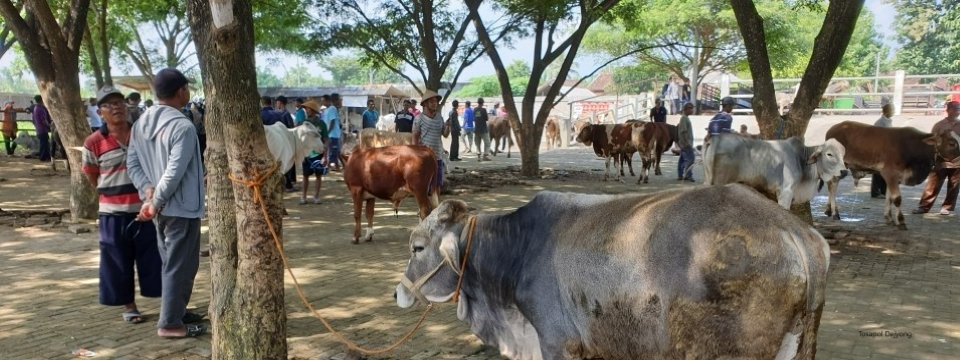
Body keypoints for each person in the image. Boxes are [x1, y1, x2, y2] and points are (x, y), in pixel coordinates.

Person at [126, 68, 207, 339]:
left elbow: (133, 163)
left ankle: (177, 311)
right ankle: (170, 323)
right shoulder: (182, 126)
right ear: (181, 91)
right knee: (179, 265)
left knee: (173, 263)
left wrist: (148, 193)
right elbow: (175, 171)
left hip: (158, 207)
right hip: (180, 207)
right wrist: (156, 200)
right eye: (187, 88)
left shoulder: (140, 123)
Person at [82, 86, 163, 325]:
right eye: (109, 104)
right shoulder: (93, 141)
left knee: (154, 258)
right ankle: (129, 306)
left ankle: (167, 305)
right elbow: (91, 174)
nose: (116, 107)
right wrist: (110, 190)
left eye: (120, 102)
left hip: (146, 210)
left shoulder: (142, 134)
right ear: (100, 112)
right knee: (117, 260)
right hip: (112, 213)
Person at [912, 101, 960, 215]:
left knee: (954, 186)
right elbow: (932, 142)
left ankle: (947, 208)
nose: (957, 111)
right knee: (933, 185)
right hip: (941, 160)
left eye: (958, 109)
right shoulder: (939, 125)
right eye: (954, 109)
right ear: (948, 110)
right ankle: (923, 207)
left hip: (958, 161)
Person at [413, 90, 447, 189]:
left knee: (437, 186)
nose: (434, 103)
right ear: (425, 104)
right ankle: (426, 204)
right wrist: (415, 154)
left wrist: (448, 126)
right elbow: (415, 136)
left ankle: (436, 204)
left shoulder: (439, 118)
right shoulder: (419, 118)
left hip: (438, 157)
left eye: (436, 101)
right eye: (432, 101)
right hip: (425, 158)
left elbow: (445, 134)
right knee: (424, 187)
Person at [297, 100, 328, 204]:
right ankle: (303, 197)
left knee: (318, 175)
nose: (306, 110)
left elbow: (326, 141)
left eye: (308, 108)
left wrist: (325, 156)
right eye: (305, 108)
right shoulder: (303, 124)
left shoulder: (321, 124)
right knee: (305, 176)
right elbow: (299, 139)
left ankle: (316, 197)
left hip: (318, 154)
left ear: (314, 111)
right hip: (306, 154)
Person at [871, 103, 894, 199]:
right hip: (880, 151)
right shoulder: (880, 123)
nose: (893, 112)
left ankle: (884, 191)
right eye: (892, 110)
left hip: (886, 151)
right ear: (886, 111)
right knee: (877, 172)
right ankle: (875, 192)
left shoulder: (888, 121)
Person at [324, 93, 344, 172]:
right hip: (334, 134)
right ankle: (340, 165)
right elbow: (334, 122)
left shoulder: (332, 109)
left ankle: (329, 166)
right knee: (336, 151)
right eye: (339, 99)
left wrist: (327, 132)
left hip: (333, 134)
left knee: (333, 150)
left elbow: (332, 121)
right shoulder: (331, 109)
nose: (340, 101)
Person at [676, 102, 696, 182]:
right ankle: (688, 175)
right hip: (685, 143)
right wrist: (687, 142)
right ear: (685, 109)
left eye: (692, 108)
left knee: (682, 159)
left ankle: (680, 174)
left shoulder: (685, 118)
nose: (691, 110)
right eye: (690, 108)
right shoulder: (684, 118)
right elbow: (683, 132)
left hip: (684, 143)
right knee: (691, 158)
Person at [31, 95, 52, 162]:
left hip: (39, 129)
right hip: (43, 129)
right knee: (44, 143)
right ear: (42, 100)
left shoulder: (35, 108)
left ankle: (46, 156)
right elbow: (44, 120)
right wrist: (49, 126)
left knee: (44, 143)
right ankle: (43, 157)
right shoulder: (41, 109)